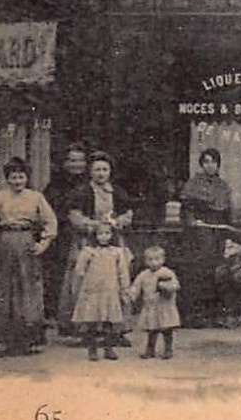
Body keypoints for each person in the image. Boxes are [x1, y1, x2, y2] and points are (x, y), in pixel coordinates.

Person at [0, 158, 58, 358]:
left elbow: (51, 221)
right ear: (7, 179)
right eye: (13, 177)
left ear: (27, 178)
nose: (17, 181)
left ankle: (23, 342)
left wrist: (43, 244)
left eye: (21, 177)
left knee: (26, 292)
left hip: (26, 244)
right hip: (3, 245)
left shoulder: (36, 197)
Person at [62, 152, 135, 347]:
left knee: (116, 282)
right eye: (97, 169)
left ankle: (116, 329)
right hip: (87, 243)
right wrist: (95, 225)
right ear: (90, 171)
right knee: (86, 283)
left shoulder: (118, 192)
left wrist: (118, 222)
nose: (101, 173)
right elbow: (74, 217)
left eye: (104, 169)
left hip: (113, 242)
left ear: (110, 171)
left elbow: (128, 214)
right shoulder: (81, 192)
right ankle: (86, 330)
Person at [180, 147, 235, 327]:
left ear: (218, 165)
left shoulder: (223, 186)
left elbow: (227, 213)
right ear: (201, 164)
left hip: (218, 231)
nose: (210, 165)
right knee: (200, 270)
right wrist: (193, 222)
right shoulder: (194, 183)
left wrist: (227, 231)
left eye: (213, 162)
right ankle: (196, 316)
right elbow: (187, 208)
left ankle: (215, 315)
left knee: (218, 271)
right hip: (199, 232)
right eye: (206, 162)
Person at [43, 143, 89, 333]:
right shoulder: (55, 185)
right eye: (71, 160)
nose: (76, 164)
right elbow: (49, 210)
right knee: (61, 275)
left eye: (80, 160)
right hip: (63, 234)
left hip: (86, 234)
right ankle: (60, 318)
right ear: (64, 163)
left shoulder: (91, 182)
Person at [71, 221, 132, 361]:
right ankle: (92, 349)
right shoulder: (88, 251)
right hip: (92, 290)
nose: (104, 237)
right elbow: (79, 270)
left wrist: (125, 288)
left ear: (112, 235)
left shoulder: (117, 252)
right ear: (95, 235)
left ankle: (108, 348)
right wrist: (80, 285)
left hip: (110, 291)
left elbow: (123, 272)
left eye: (107, 233)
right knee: (91, 320)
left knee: (109, 321)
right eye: (100, 234)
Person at [128, 244, 181, 360]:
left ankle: (168, 349)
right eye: (150, 259)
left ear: (163, 259)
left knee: (167, 329)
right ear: (146, 261)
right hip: (151, 306)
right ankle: (150, 350)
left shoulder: (167, 273)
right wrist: (132, 294)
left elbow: (175, 285)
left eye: (157, 259)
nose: (154, 263)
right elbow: (136, 286)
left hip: (164, 306)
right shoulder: (144, 275)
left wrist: (166, 286)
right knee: (152, 330)